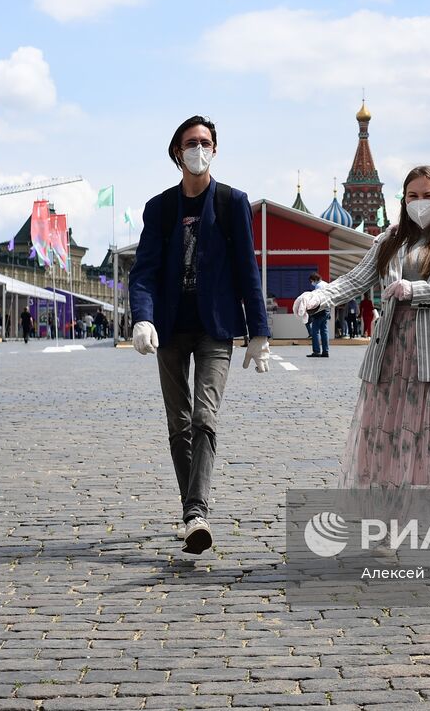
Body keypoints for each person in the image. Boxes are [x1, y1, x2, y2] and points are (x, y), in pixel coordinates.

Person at [295, 165, 430, 569]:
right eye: (411, 196)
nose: (419, 203)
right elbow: (357, 280)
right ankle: (386, 537)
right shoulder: (387, 240)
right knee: (387, 448)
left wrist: (419, 290)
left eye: (427, 195)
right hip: (394, 357)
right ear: (402, 200)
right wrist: (320, 297)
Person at [128, 114, 271, 556]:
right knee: (178, 423)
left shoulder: (232, 202)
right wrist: (142, 317)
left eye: (205, 142)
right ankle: (193, 511)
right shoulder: (160, 208)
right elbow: (144, 271)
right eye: (191, 143)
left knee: (204, 417)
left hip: (216, 328)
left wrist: (259, 332)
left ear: (215, 149)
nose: (198, 149)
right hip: (169, 329)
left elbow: (248, 271)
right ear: (177, 152)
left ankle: (195, 514)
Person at [305, 273, 330, 358]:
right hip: (327, 309)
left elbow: (316, 300)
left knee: (315, 331)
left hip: (320, 311)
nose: (311, 283)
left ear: (314, 279)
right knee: (324, 331)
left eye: (311, 281)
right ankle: (325, 351)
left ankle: (316, 351)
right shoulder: (326, 284)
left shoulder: (318, 286)